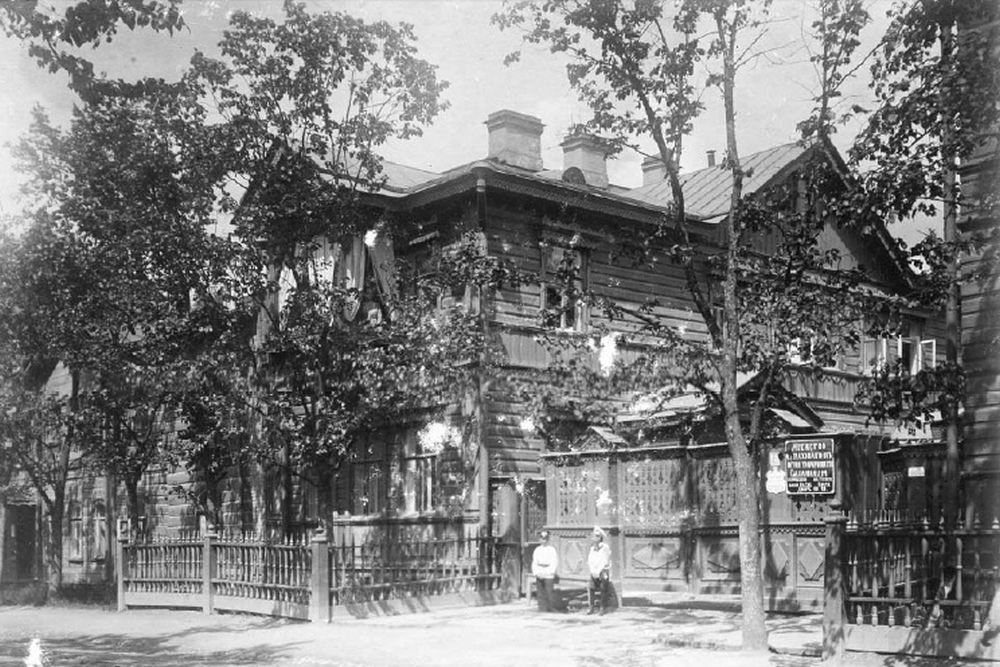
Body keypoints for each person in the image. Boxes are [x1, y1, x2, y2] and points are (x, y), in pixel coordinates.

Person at [531, 529, 558, 612]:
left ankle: (551, 607)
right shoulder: (537, 550)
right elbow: (535, 562)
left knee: (549, 591)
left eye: (546, 538)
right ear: (540, 539)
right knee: (540, 591)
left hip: (548, 571)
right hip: (540, 570)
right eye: (542, 538)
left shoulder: (552, 549)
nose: (544, 540)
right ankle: (542, 608)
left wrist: (549, 572)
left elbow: (554, 562)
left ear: (548, 539)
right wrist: (537, 572)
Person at [587, 526, 612, 615]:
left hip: (602, 570)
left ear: (600, 537)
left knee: (603, 587)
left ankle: (602, 608)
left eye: (597, 536)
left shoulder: (605, 547)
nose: (595, 538)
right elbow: (590, 560)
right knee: (591, 587)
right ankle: (591, 607)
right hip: (594, 571)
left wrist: (598, 571)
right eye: (594, 536)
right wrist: (593, 571)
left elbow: (604, 561)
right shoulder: (592, 548)